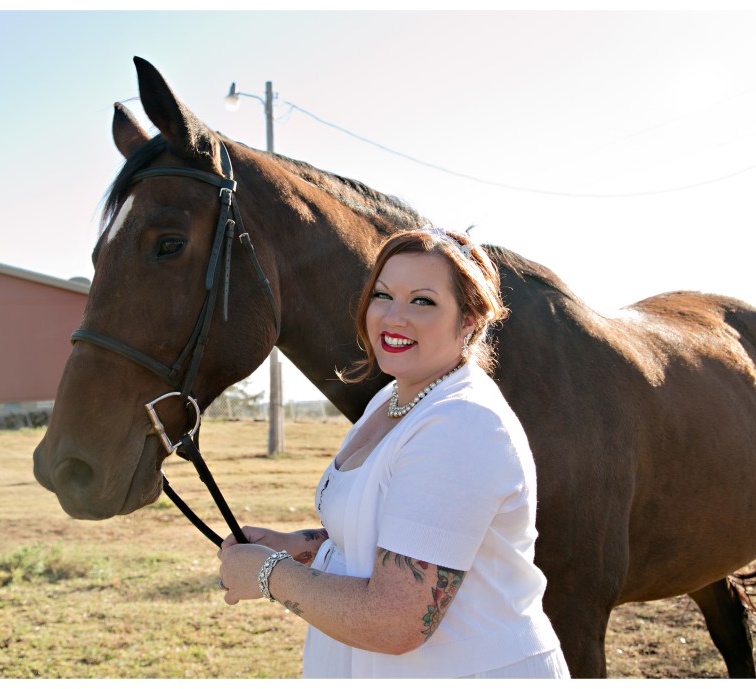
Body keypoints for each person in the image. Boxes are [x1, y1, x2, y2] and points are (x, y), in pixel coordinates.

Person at [216, 227, 569, 678]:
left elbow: (394, 622)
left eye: (422, 301)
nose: (393, 317)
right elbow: (393, 536)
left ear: (469, 320)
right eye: (383, 295)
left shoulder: (461, 424)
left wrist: (271, 574)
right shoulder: (391, 401)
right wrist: (297, 546)